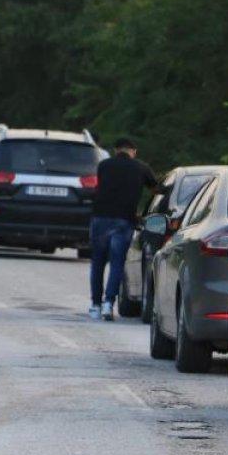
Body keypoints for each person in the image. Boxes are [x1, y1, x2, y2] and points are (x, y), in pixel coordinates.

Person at [89, 137, 158, 321]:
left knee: (98, 262)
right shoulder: (141, 168)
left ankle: (95, 305)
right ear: (133, 151)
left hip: (100, 217)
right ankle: (108, 304)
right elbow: (156, 189)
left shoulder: (104, 165)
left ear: (115, 150)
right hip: (124, 220)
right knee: (117, 263)